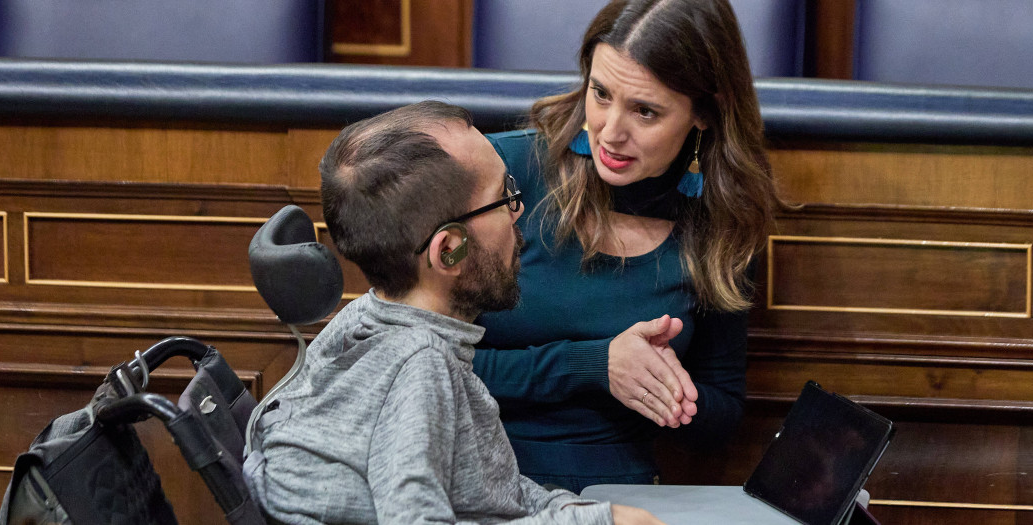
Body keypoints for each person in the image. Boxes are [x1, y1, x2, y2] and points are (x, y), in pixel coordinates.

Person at [243, 101, 662, 525]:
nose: (519, 211)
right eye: (503, 197)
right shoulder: (420, 365)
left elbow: (492, 493)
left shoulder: (366, 318)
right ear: (449, 250)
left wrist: (579, 512)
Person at [474, 0, 782, 493]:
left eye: (644, 111)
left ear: (704, 113)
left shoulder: (725, 221)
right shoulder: (502, 174)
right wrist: (594, 364)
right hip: (469, 477)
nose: (610, 133)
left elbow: (721, 415)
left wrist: (661, 385)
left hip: (615, 495)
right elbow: (420, 360)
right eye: (600, 93)